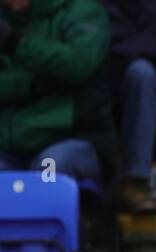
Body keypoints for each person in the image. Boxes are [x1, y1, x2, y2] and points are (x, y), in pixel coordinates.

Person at [0, 0, 115, 185]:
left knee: (48, 175)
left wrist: (15, 43)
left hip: (66, 141)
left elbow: (79, 63)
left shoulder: (82, 10)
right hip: (8, 148)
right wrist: (28, 85)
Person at [102, 0, 156, 213]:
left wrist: (114, 53)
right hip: (86, 66)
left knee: (143, 74)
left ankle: (136, 181)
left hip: (124, 64)